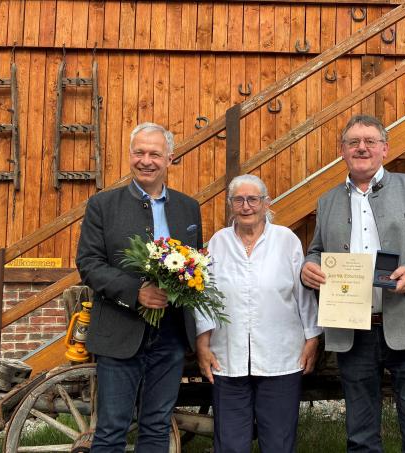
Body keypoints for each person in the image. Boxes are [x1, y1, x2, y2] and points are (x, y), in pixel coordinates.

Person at [301, 114, 405, 452]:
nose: (362, 147)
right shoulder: (327, 201)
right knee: (360, 438)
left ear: (384, 148)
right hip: (353, 331)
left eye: (370, 141)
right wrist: (308, 268)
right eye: (353, 142)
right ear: (342, 151)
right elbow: (315, 252)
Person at [76, 122, 202, 452]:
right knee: (111, 428)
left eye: (155, 154)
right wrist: (136, 292)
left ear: (170, 159)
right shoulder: (102, 205)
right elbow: (88, 264)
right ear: (130, 156)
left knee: (158, 425)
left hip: (170, 335)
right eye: (139, 152)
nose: (146, 160)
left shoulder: (189, 208)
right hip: (120, 332)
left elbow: (194, 264)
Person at [195, 174, 322, 453]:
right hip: (227, 358)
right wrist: (202, 344)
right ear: (231, 205)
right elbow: (204, 295)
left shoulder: (286, 240)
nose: (246, 206)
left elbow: (303, 294)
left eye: (253, 199)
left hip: (281, 357)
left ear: (266, 204)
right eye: (238, 199)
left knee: (278, 441)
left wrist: (312, 338)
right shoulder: (218, 242)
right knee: (230, 443)